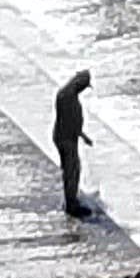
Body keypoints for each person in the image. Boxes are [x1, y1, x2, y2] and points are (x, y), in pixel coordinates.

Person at [52, 68, 95, 218]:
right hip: (66, 139)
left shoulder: (66, 93)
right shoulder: (67, 96)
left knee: (71, 170)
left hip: (66, 137)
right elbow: (70, 122)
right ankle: (71, 205)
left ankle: (70, 200)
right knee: (72, 170)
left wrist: (83, 136)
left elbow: (72, 121)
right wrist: (79, 134)